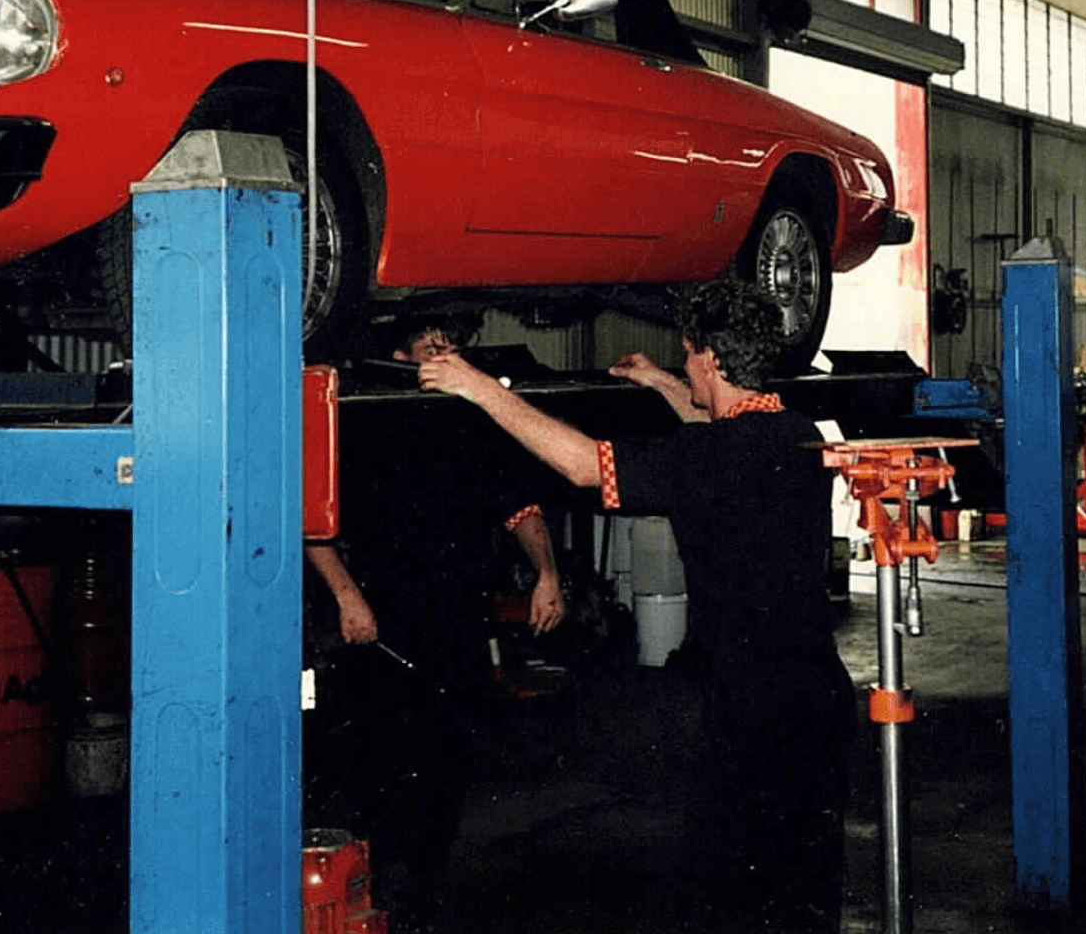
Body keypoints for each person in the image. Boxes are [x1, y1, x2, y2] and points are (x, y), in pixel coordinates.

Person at [418, 280, 853, 934]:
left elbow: (583, 466)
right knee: (802, 890)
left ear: (710, 357)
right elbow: (717, 427)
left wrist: (481, 389)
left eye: (686, 356)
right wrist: (659, 383)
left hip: (752, 711)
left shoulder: (708, 456)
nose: (684, 366)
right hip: (819, 698)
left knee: (731, 894)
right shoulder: (795, 435)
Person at [305, 316, 565, 934]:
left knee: (447, 765)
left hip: (456, 627)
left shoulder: (474, 422)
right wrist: (347, 598)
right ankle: (371, 894)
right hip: (381, 629)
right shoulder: (363, 425)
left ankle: (420, 899)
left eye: (452, 347)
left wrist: (548, 574)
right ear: (400, 359)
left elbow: (521, 509)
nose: (447, 355)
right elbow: (312, 524)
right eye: (432, 348)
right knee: (378, 768)